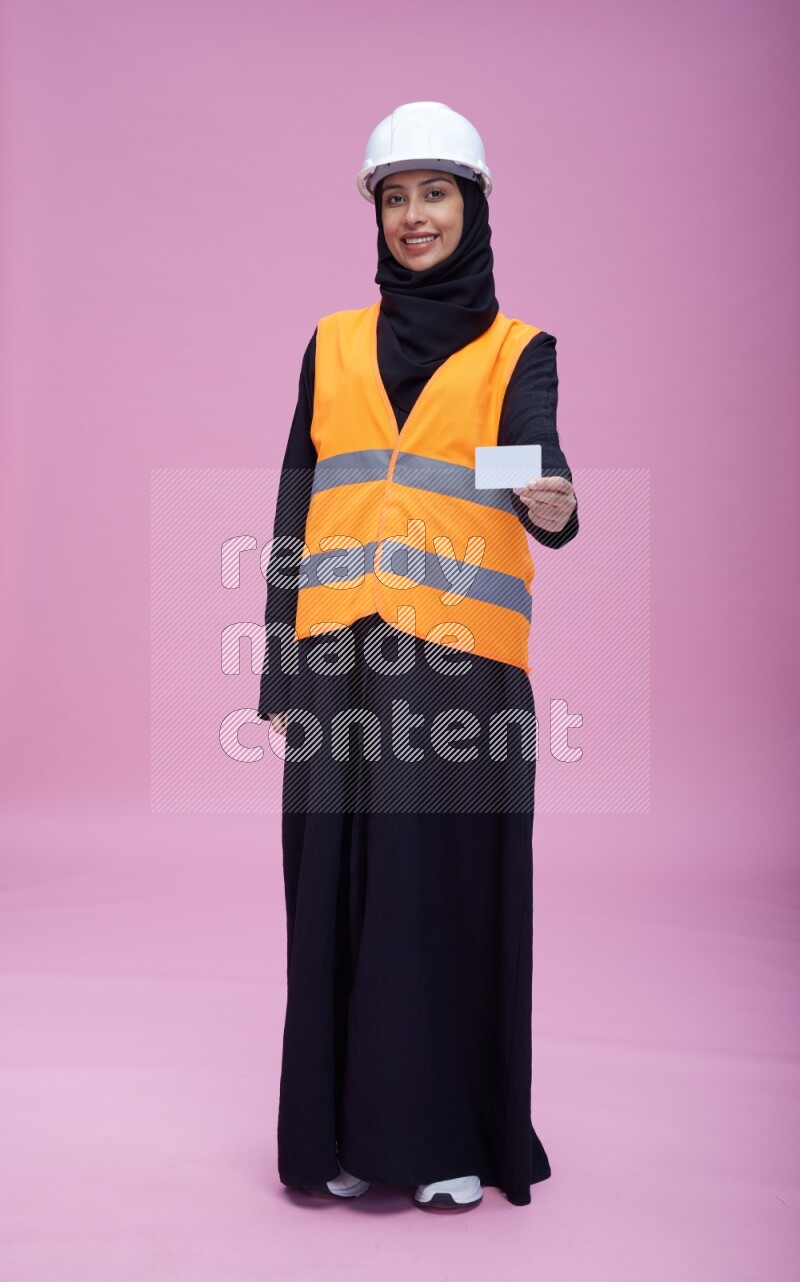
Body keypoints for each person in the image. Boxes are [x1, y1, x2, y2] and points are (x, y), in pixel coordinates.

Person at [257, 101, 578, 1211]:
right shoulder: (331, 342)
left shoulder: (515, 351)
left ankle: (442, 1135)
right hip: (336, 669)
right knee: (335, 898)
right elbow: (297, 505)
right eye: (393, 198)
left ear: (472, 205)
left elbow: (540, 473)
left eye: (433, 193)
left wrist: (552, 501)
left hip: (460, 677)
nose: (412, 216)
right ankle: (339, 1135)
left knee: (433, 898)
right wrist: (274, 666)